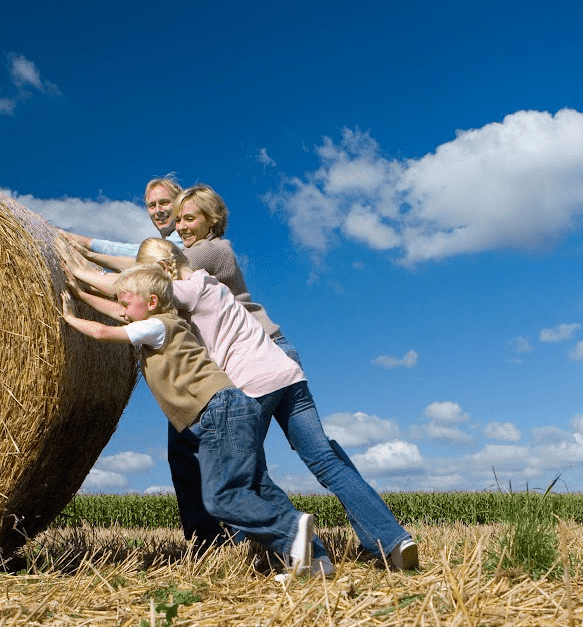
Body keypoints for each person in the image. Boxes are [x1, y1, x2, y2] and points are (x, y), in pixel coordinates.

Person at [76, 185, 420, 571]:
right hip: (282, 365)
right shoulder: (199, 280)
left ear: (211, 221)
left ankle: (289, 551)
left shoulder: (202, 261)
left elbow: (136, 282)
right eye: (178, 218)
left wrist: (79, 262)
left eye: (189, 218)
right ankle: (392, 540)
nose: (180, 224)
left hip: (249, 373)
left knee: (238, 473)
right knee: (321, 458)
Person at [59, 264, 327, 576]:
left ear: (152, 303)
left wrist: (69, 317)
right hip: (233, 407)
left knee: (220, 498)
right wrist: (80, 293)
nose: (121, 309)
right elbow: (123, 314)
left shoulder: (156, 327)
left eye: (125, 302)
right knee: (256, 486)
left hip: (219, 411)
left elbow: (105, 331)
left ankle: (292, 528)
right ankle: (316, 561)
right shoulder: (167, 322)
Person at [60, 176, 185, 263]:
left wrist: (89, 244)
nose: (158, 210)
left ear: (179, 205)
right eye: (152, 206)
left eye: (164, 202)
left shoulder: (185, 238)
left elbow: (143, 253)